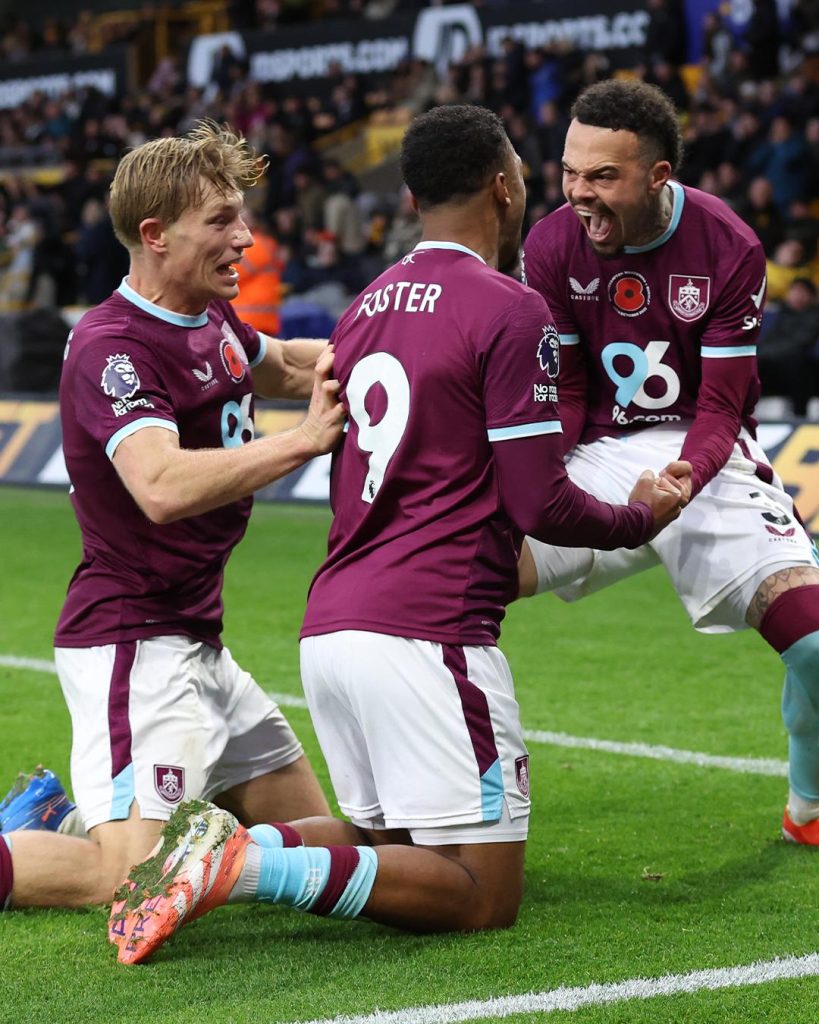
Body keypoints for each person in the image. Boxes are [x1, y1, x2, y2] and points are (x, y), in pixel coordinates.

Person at [110, 103, 684, 965]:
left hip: (333, 624)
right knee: (481, 894)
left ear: (413, 197)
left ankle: (230, 849)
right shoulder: (509, 308)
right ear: (503, 186)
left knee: (392, 844)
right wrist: (640, 516)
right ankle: (245, 865)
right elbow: (540, 505)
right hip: (429, 627)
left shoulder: (364, 308)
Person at [0, 121, 346, 915]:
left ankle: (81, 823)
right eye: (221, 221)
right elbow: (157, 484)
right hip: (131, 641)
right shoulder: (113, 347)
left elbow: (284, 364)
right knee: (131, 879)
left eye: (241, 217)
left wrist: (395, 349)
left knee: (328, 837)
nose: (244, 238)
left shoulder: (211, 318)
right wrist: (302, 443)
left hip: (199, 642)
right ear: (155, 234)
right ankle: (67, 835)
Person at [516, 79, 819, 844]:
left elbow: (720, 404)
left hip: (704, 456)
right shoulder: (549, 244)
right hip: (599, 450)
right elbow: (569, 387)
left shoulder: (727, 245)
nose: (578, 194)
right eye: (569, 173)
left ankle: (808, 804)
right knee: (461, 571)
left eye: (601, 177)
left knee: (813, 647)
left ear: (656, 176)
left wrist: (687, 474)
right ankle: (444, 795)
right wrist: (535, 472)